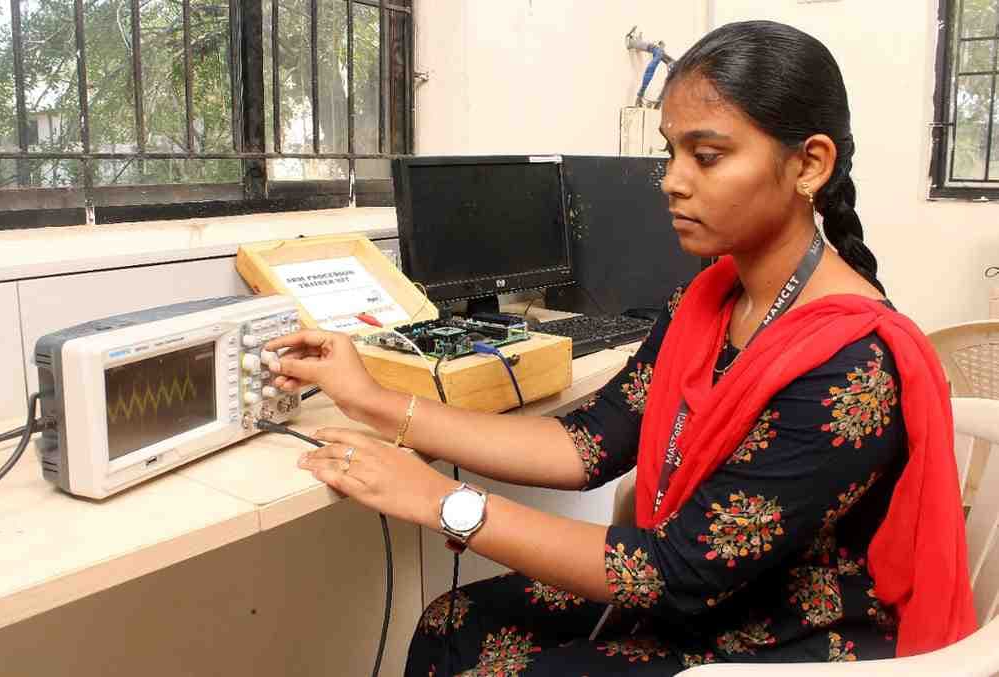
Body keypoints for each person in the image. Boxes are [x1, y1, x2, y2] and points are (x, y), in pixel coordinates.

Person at [265, 20, 976, 676]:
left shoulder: (851, 366)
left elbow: (674, 570)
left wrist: (444, 501)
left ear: (809, 164)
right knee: (455, 623)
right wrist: (374, 400)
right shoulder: (711, 298)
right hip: (704, 594)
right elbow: (588, 443)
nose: (672, 178)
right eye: (671, 152)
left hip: (779, 638)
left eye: (707, 154)